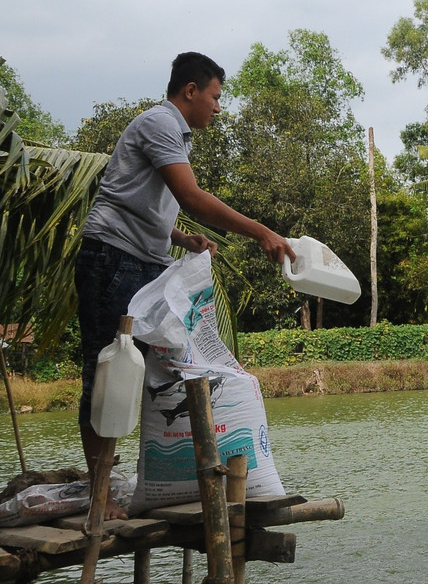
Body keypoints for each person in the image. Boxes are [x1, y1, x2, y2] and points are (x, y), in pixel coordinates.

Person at [76, 52, 294, 517]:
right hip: (112, 259)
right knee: (106, 372)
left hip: (142, 261)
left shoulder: (177, 134)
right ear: (190, 91)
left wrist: (179, 236)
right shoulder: (161, 122)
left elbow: (140, 199)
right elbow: (191, 197)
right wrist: (261, 232)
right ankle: (99, 496)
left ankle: (167, 477)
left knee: (162, 371)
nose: (219, 107)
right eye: (215, 97)